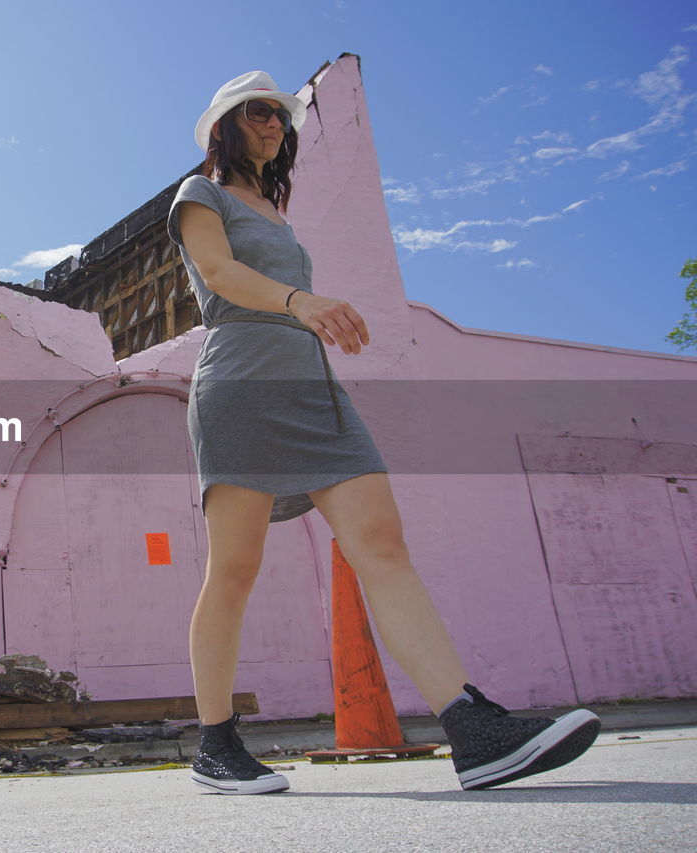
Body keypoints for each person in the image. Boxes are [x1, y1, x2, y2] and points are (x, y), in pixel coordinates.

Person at [167, 71, 602, 795]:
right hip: (240, 384)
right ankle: (215, 744)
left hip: (314, 392)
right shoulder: (199, 195)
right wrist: (300, 300)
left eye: (281, 114)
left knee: (384, 544)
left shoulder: (278, 215)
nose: (275, 125)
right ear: (225, 127)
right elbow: (216, 273)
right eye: (258, 113)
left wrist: (305, 313)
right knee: (235, 569)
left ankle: (473, 727)